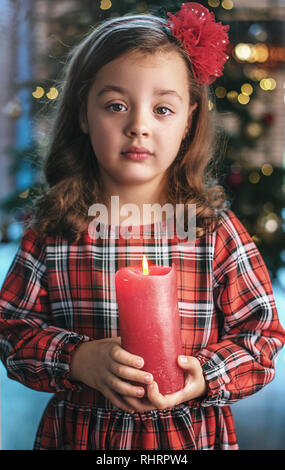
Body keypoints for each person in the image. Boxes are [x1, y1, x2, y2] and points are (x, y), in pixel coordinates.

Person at [0, 3, 284, 450]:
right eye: (116, 105)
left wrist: (201, 376)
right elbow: (12, 328)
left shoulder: (213, 230)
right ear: (82, 114)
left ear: (189, 120)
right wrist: (75, 359)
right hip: (82, 437)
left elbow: (262, 335)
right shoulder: (55, 230)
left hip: (188, 439)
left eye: (163, 110)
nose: (138, 126)